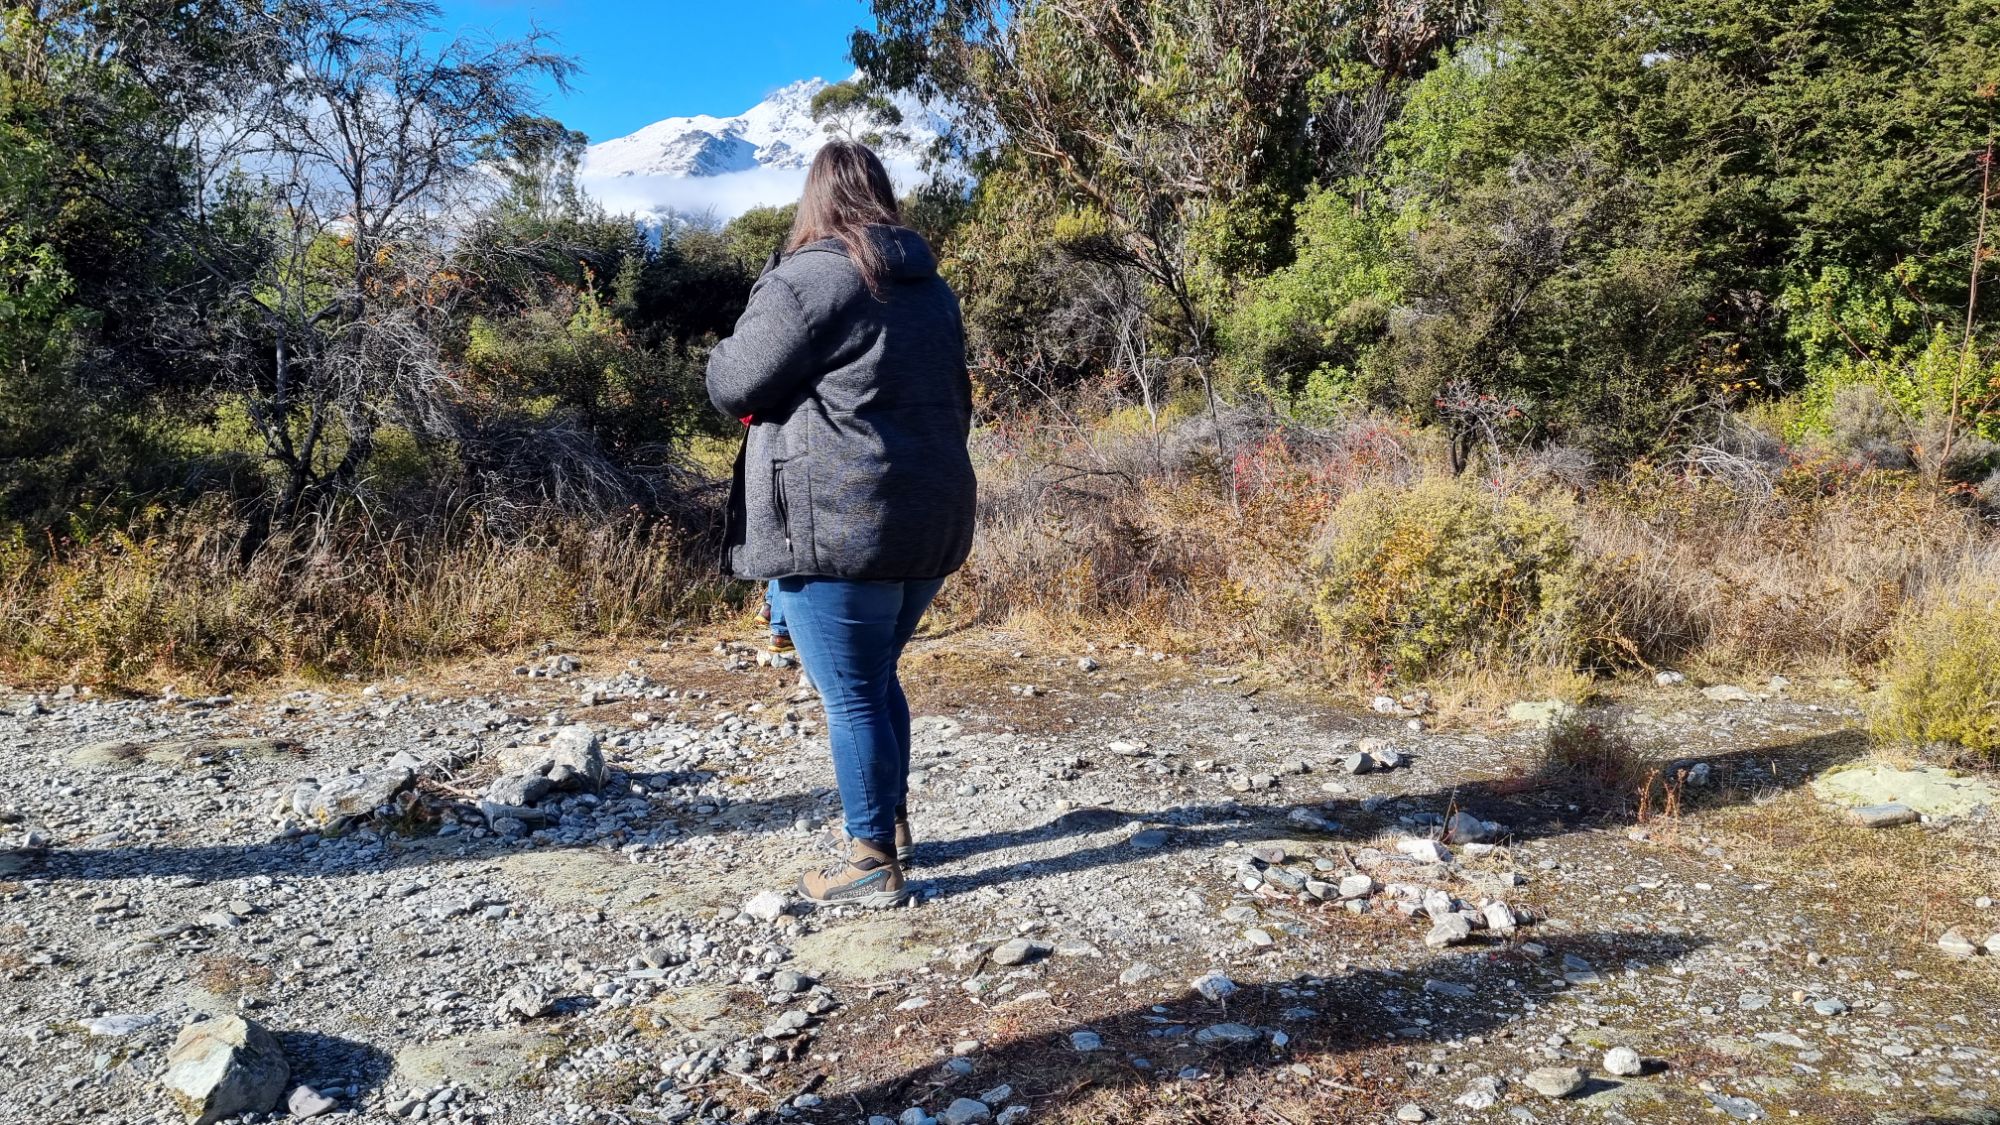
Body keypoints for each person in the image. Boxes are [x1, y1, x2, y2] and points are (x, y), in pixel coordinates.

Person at [706, 140, 976, 908]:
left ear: (814, 200)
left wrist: (755, 304)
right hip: (930, 518)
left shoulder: (808, 280)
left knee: (852, 692)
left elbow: (732, 382)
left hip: (839, 523)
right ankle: (892, 826)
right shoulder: (932, 287)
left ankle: (870, 861)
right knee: (875, 676)